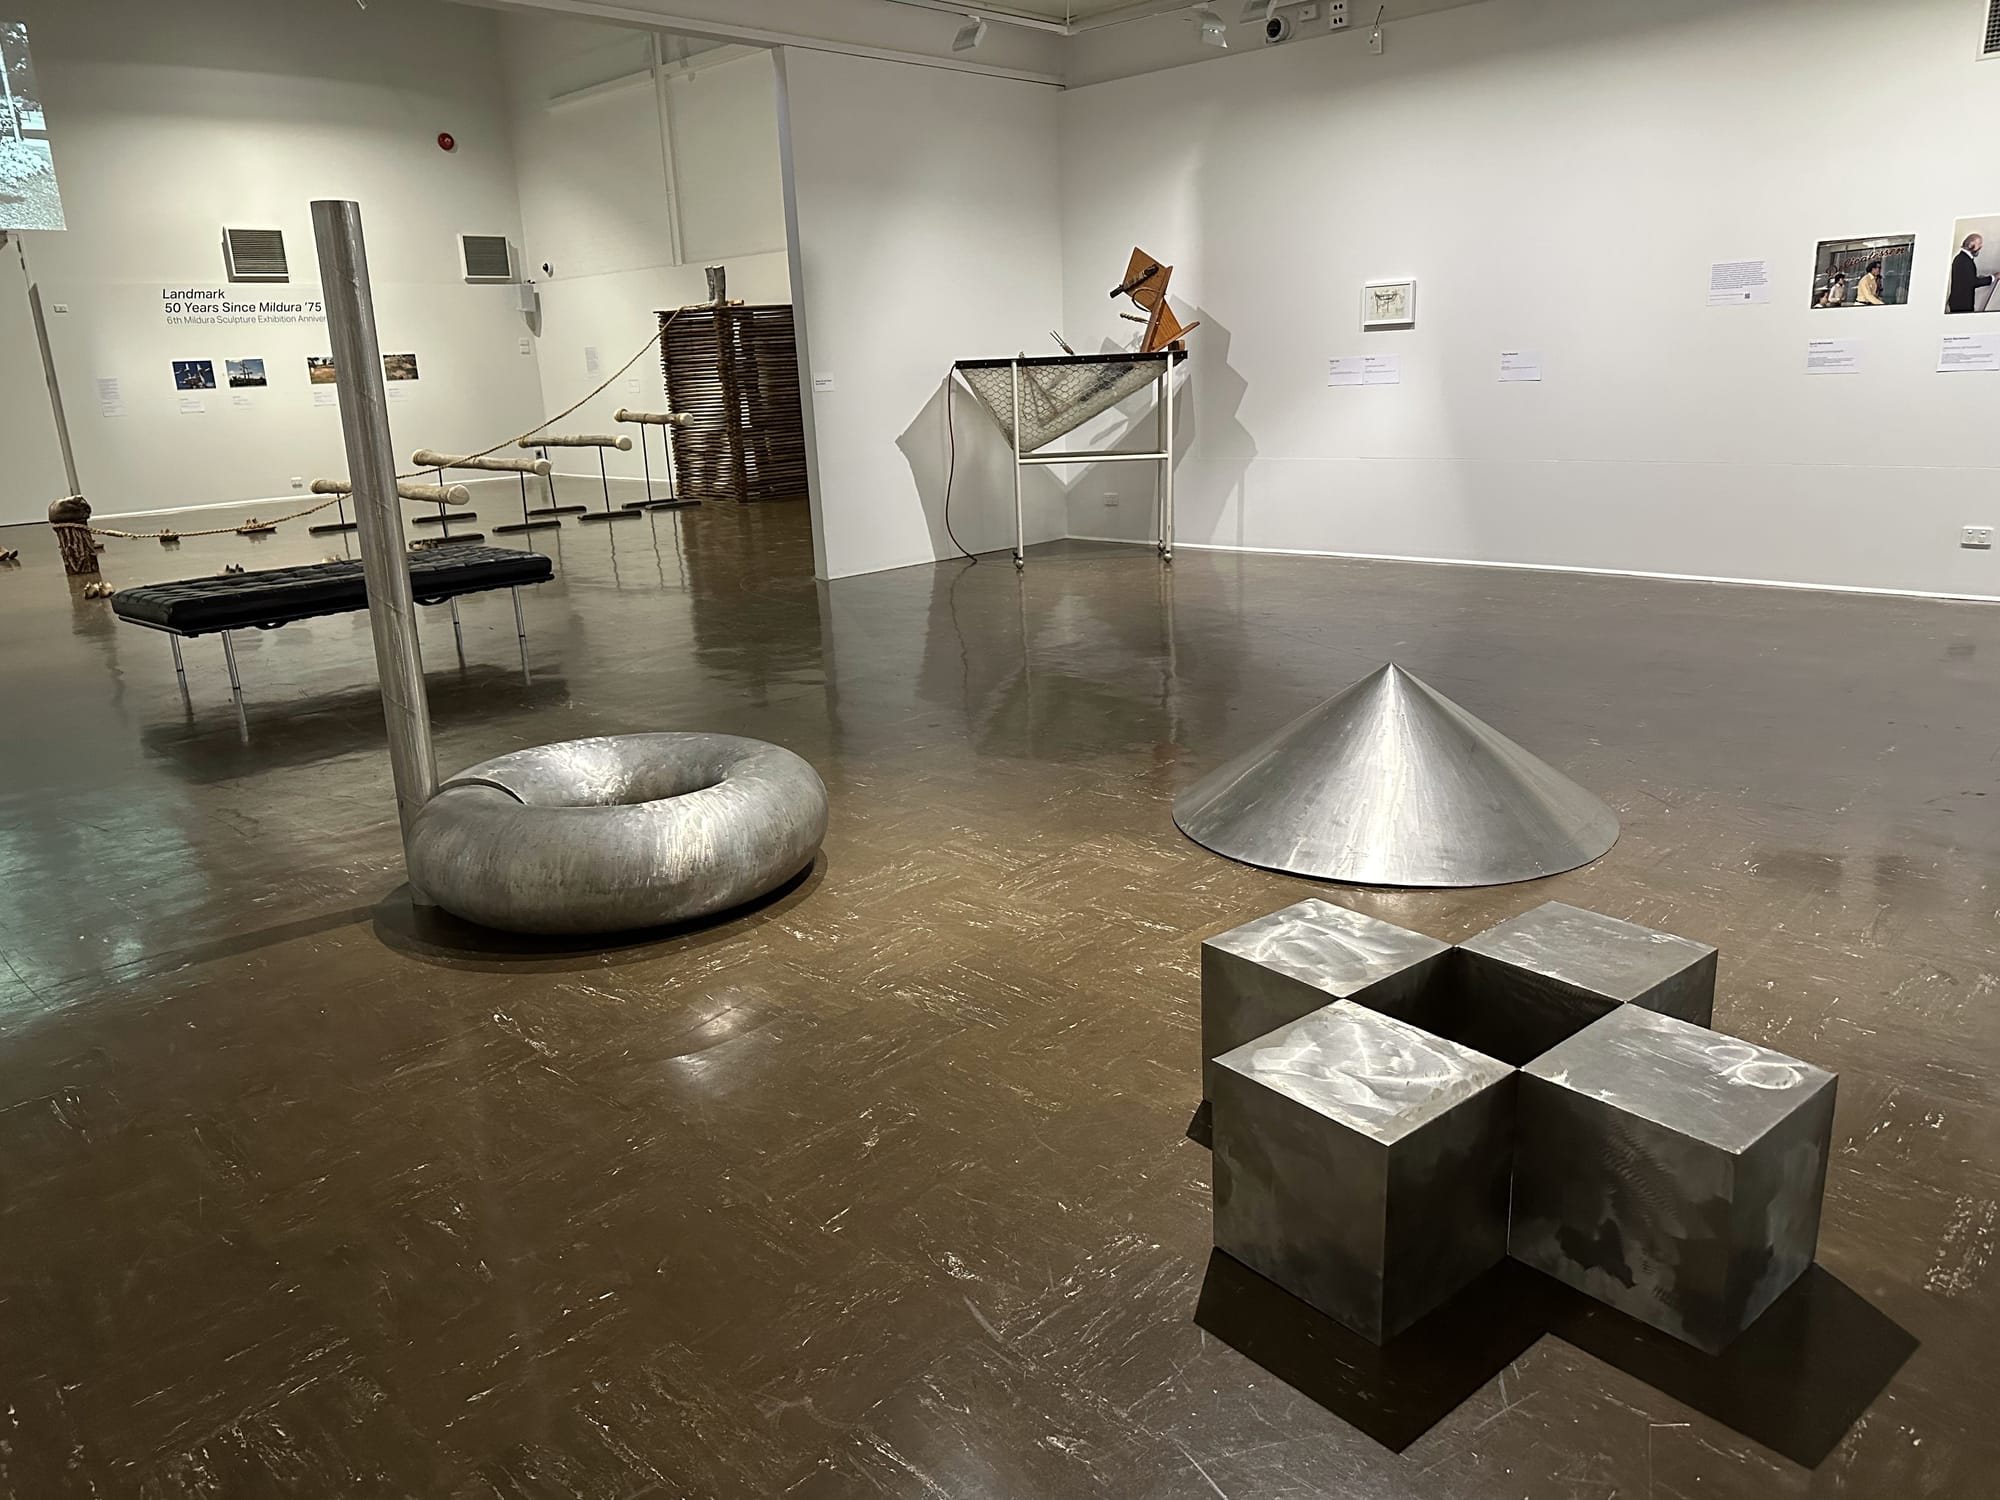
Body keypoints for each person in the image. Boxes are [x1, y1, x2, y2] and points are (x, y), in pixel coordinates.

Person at [1949, 232, 1994, 314]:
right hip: (1962, 305)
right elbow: (1973, 283)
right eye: (1979, 244)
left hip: (1957, 302)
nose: (1981, 247)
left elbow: (1965, 280)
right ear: (1970, 245)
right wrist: (1994, 277)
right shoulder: (1965, 261)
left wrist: (1976, 278)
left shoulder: (1960, 258)